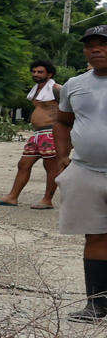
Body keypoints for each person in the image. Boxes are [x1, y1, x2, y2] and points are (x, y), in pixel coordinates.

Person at [55, 30, 107, 320]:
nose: (95, 50)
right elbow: (62, 122)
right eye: (90, 46)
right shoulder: (74, 85)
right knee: (96, 236)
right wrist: (63, 155)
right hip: (87, 171)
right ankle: (97, 305)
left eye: (103, 45)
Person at [0, 60, 64, 208]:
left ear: (49, 74)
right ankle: (12, 197)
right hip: (37, 134)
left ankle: (47, 200)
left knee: (51, 167)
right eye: (34, 71)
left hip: (51, 132)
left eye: (40, 72)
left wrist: (65, 134)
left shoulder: (57, 89)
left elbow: (70, 109)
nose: (36, 74)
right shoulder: (36, 89)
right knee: (23, 164)